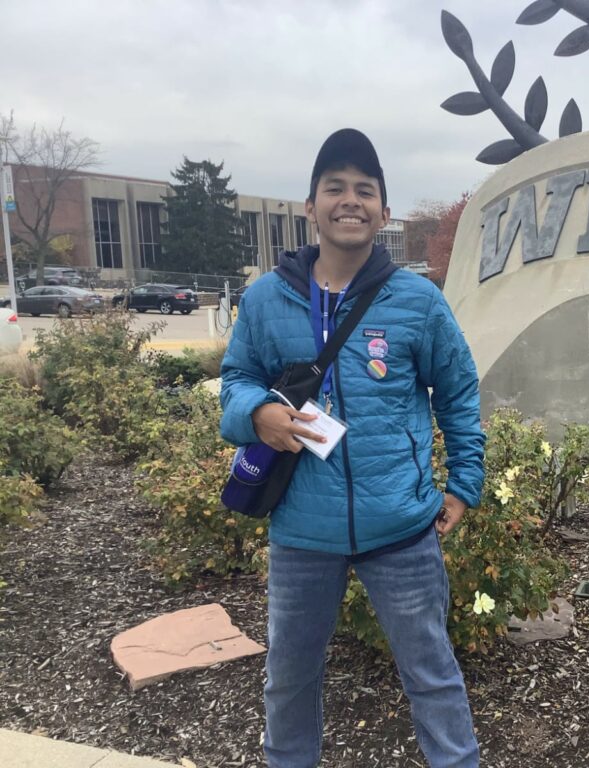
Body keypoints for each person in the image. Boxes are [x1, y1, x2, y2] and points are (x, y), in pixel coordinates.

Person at [219, 128, 485, 768]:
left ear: (384, 213)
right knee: (289, 677)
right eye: (334, 188)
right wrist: (255, 413)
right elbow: (236, 378)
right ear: (310, 207)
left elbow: (458, 392)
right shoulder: (266, 298)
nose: (350, 200)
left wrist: (464, 482)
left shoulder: (418, 301)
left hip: (400, 526)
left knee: (432, 674)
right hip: (301, 532)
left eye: (365, 190)